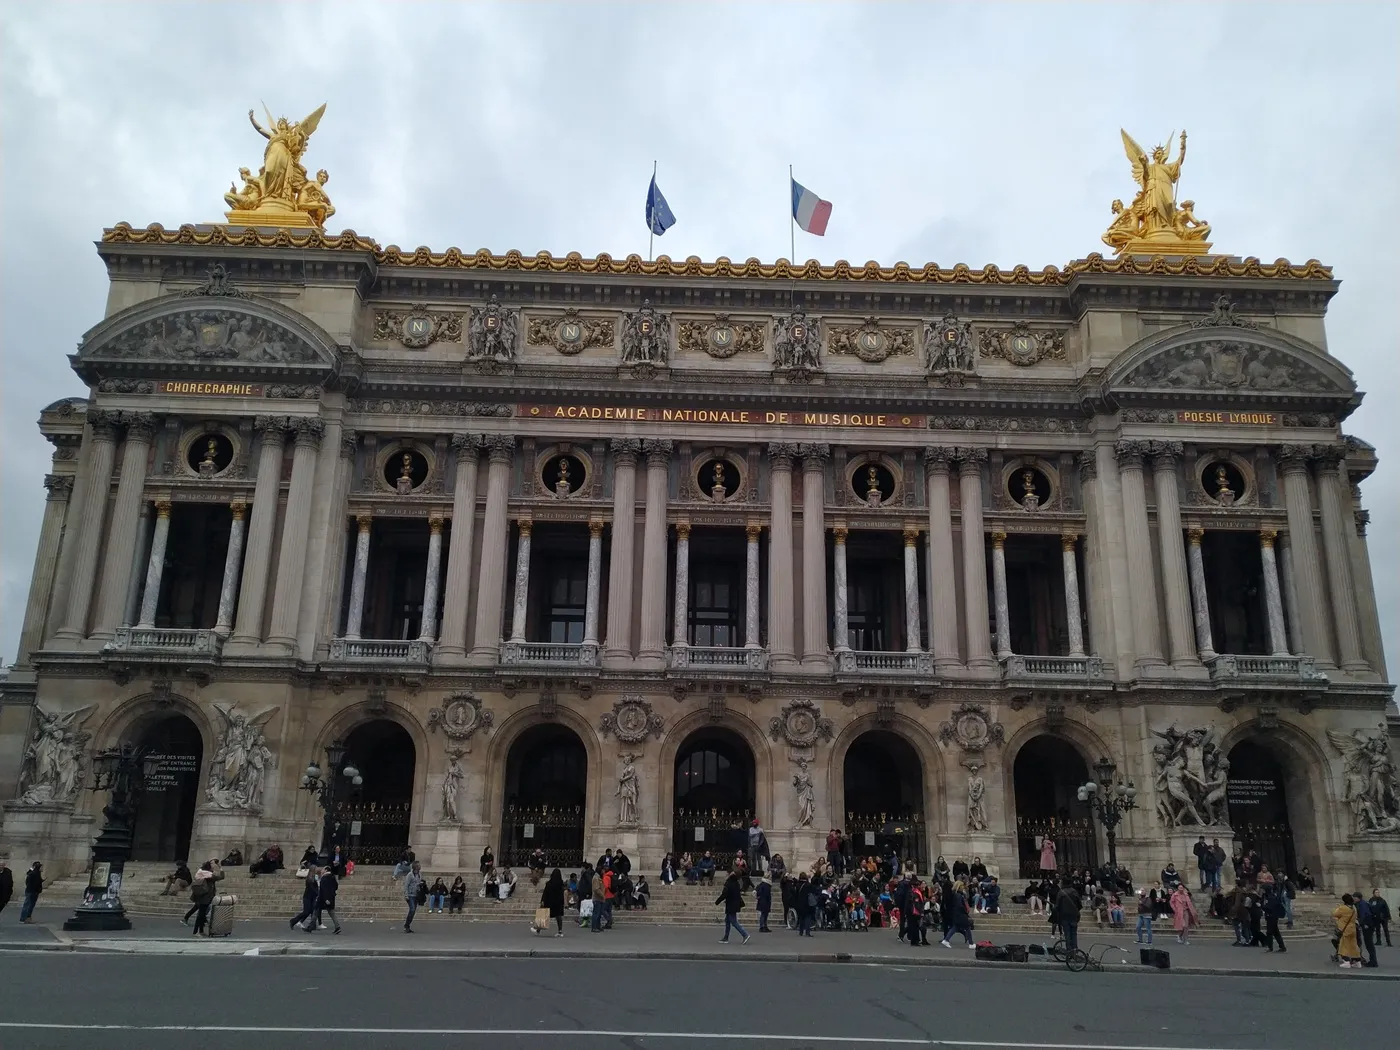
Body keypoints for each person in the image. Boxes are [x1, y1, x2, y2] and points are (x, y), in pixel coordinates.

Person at [187, 861, 224, 935]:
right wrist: (220, 868)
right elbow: (221, 877)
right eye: (212, 864)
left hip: (203, 896)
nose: (214, 866)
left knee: (202, 914)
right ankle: (196, 932)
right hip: (205, 897)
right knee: (200, 915)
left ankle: (201, 931)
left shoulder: (204, 873)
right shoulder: (208, 875)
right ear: (209, 867)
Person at [715, 869, 751, 944]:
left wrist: (717, 901)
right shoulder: (736, 882)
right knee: (727, 920)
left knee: (733, 921)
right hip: (734, 904)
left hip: (731, 905)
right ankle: (726, 937)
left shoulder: (729, 882)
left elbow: (724, 894)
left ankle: (745, 934)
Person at [310, 864, 342, 934]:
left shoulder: (324, 878)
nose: (322, 871)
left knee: (316, 910)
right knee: (330, 913)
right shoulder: (332, 877)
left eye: (323, 869)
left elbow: (324, 890)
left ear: (326, 870)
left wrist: (326, 899)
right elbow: (336, 886)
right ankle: (337, 927)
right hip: (330, 898)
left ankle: (311, 926)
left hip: (323, 898)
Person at [289, 864, 321, 931]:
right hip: (307, 897)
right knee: (306, 911)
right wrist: (317, 893)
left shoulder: (315, 877)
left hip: (313, 897)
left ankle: (312, 925)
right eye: (316, 869)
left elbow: (317, 885)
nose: (317, 869)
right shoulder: (309, 879)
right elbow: (312, 888)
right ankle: (293, 920)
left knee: (313, 911)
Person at [1334, 894, 1362, 968]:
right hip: (1353, 928)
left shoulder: (1343, 908)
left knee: (1344, 946)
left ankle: (1346, 961)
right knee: (1354, 945)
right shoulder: (1354, 908)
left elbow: (1335, 914)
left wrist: (1338, 907)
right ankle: (1357, 961)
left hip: (1345, 929)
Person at [1053, 882, 1082, 951]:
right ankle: (1075, 949)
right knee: (1074, 933)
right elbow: (1079, 905)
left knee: (1067, 933)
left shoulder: (1061, 892)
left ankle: (1069, 950)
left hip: (1064, 916)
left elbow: (1057, 906)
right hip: (1074, 916)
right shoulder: (1074, 891)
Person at [1354, 891, 1378, 968]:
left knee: (1369, 944)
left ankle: (1373, 962)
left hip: (1367, 926)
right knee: (1369, 944)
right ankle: (1373, 961)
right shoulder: (1362, 903)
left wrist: (1359, 922)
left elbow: (1364, 915)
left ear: (1358, 898)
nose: (1353, 899)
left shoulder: (1362, 904)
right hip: (1368, 925)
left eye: (1354, 898)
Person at [1259, 884, 1286, 953]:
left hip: (1272, 917)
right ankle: (1282, 946)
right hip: (1269, 916)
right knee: (1276, 932)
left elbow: (1269, 907)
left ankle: (1270, 947)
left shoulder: (1271, 897)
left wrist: (1263, 906)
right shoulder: (1266, 897)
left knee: (1269, 932)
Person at [541, 868, 566, 937]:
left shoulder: (549, 883)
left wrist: (542, 901)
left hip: (550, 902)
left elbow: (545, 893)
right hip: (558, 903)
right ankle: (560, 931)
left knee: (545, 915)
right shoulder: (561, 884)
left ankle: (538, 928)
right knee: (558, 917)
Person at [403, 862, 424, 933]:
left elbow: (418, 883)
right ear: (415, 867)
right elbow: (406, 885)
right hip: (410, 895)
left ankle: (407, 925)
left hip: (416, 895)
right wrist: (406, 895)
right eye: (419, 865)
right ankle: (406, 925)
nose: (420, 866)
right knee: (412, 910)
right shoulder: (410, 875)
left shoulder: (419, 874)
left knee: (413, 911)